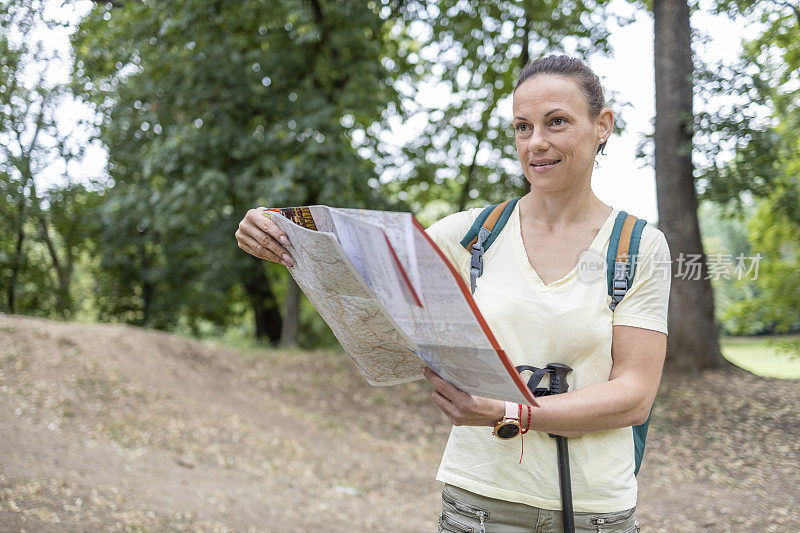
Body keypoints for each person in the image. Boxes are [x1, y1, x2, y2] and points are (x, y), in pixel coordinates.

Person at [235, 54, 670, 533]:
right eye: (523, 128)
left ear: (602, 125)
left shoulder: (637, 246)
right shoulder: (469, 235)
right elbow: (360, 274)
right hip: (480, 504)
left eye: (557, 122)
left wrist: (508, 412)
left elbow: (634, 395)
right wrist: (275, 231)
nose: (537, 143)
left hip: (595, 511)